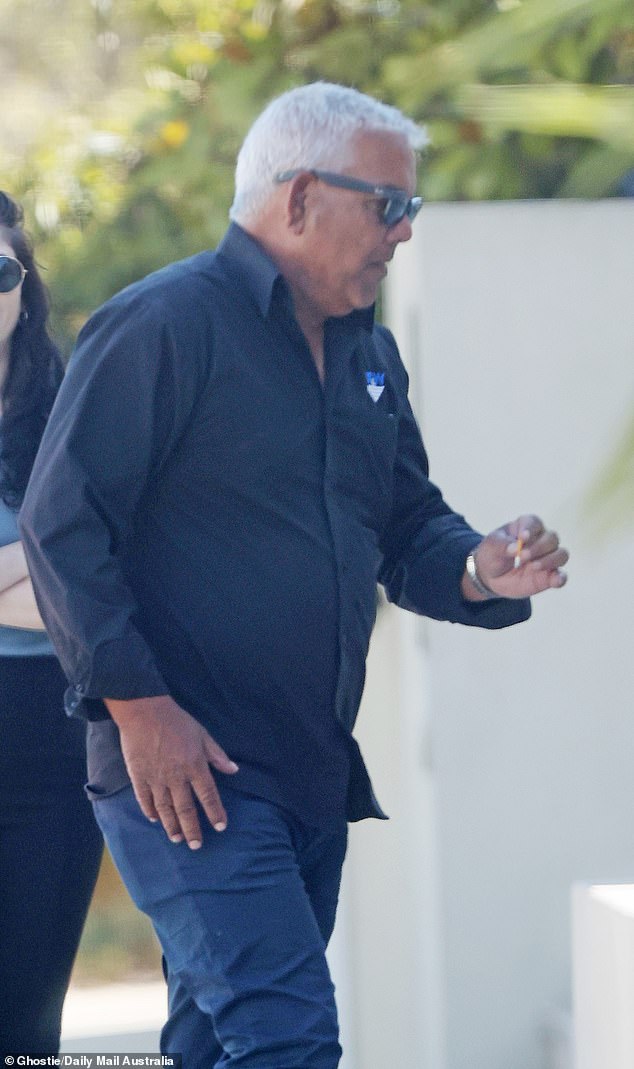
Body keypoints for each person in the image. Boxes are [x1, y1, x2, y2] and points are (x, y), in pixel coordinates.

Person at [20, 83, 568, 1068]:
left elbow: (407, 529)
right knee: (287, 1037)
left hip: (310, 769)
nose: (404, 232)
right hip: (187, 778)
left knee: (219, 1044)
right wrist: (141, 707)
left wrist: (483, 570)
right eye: (389, 205)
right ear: (301, 195)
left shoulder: (368, 354)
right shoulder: (162, 326)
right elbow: (64, 527)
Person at [0, 192, 103, 1056]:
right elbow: (64, 572)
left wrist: (51, 580)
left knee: (30, 1026)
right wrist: (36, 561)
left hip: (50, 736)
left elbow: (102, 582)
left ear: (24, 289)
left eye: (0, 272)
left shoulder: (71, 412)